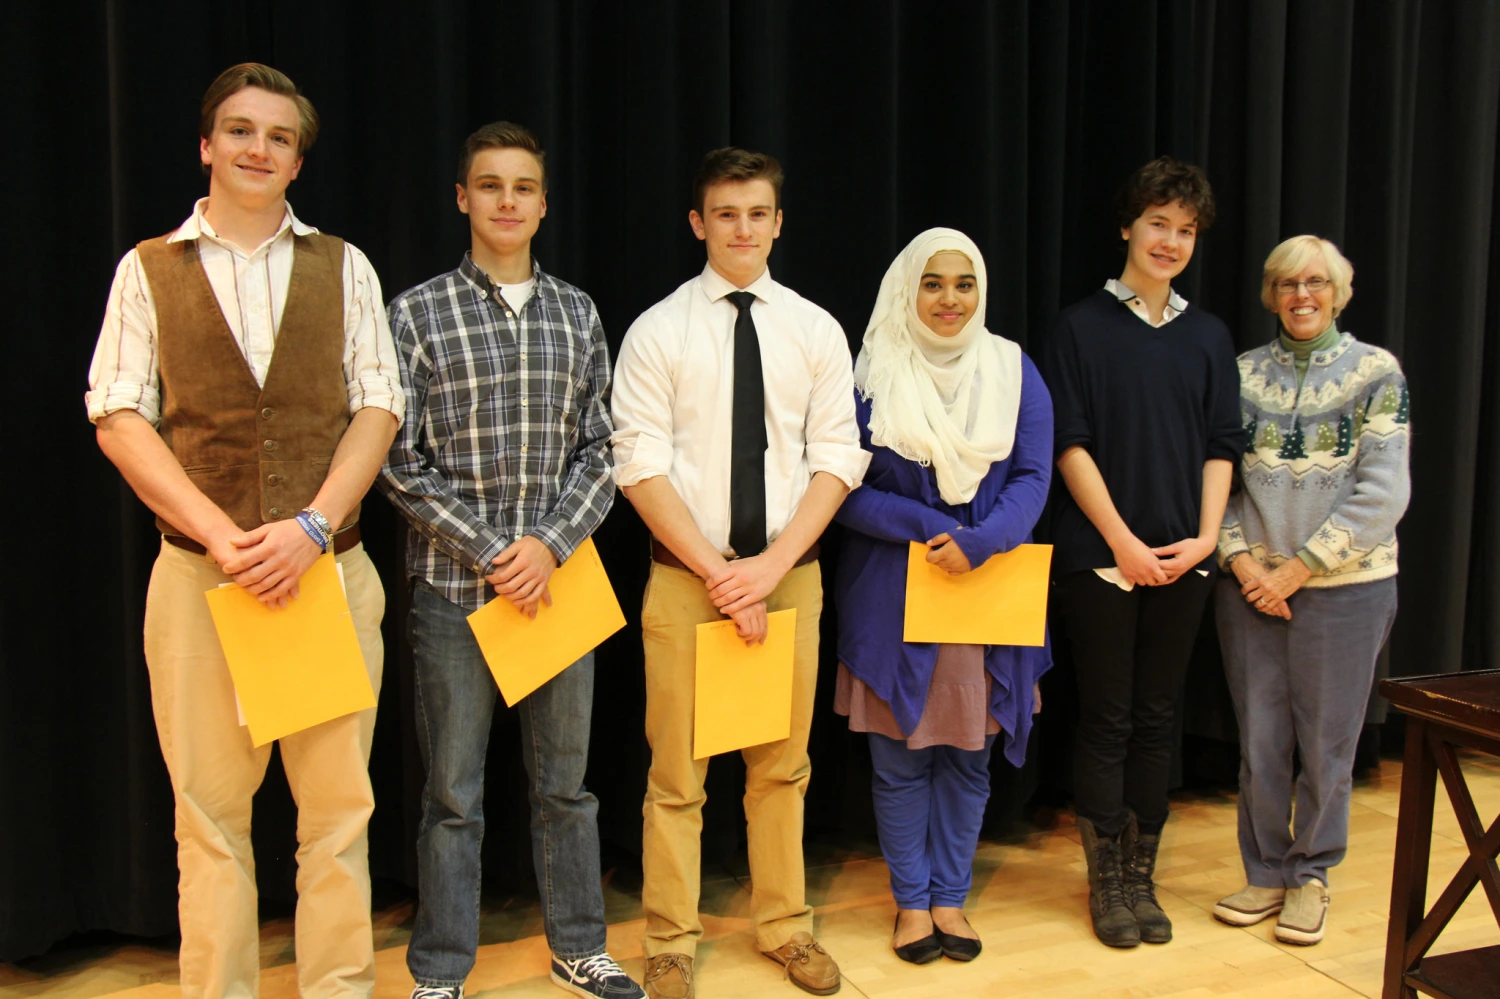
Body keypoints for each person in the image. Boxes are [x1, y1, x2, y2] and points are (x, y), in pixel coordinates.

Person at [86, 63, 403, 998]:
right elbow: (117, 415)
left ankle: (338, 988)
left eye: (277, 136)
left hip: (327, 578)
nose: (256, 148)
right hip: (197, 583)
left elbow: (379, 408)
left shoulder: (345, 266)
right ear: (206, 146)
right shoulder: (147, 269)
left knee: (338, 814)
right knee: (209, 818)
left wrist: (312, 524)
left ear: (297, 159)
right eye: (239, 130)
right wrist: (222, 540)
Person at [378, 122, 642, 999]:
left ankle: (578, 944)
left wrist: (547, 546)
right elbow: (395, 458)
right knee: (453, 794)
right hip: (455, 592)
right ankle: (441, 968)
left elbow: (602, 447)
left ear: (541, 202)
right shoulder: (414, 313)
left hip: (558, 588)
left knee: (566, 787)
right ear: (462, 198)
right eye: (488, 186)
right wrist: (496, 550)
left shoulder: (578, 311)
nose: (505, 202)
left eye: (522, 187)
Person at [611, 147, 869, 999]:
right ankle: (671, 941)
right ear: (698, 223)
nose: (743, 228)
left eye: (757, 212)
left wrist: (767, 568)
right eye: (726, 213)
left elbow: (836, 457)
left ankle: (785, 928)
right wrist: (722, 573)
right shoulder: (659, 329)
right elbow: (638, 465)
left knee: (781, 765)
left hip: (787, 572)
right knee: (677, 774)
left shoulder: (816, 328)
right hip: (688, 578)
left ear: (779, 221)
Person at [1038, 156, 1245, 948]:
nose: (1171, 240)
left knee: (1159, 717)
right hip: (1100, 555)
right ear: (1128, 226)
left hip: (1185, 555)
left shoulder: (1207, 334)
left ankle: (1140, 877)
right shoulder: (1079, 326)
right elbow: (1070, 442)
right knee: (1109, 716)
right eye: (1158, 223)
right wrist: (1122, 540)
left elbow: (1222, 445)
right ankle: (1104, 883)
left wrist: (1203, 537)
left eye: (1186, 230)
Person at [832, 229, 1053, 964]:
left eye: (963, 283)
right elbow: (841, 491)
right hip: (897, 593)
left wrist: (982, 541)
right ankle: (910, 902)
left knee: (969, 758)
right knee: (899, 760)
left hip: (990, 590)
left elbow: (1031, 477)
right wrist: (933, 528)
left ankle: (950, 897)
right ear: (907, 289)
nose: (950, 298)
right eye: (932, 283)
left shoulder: (1013, 368)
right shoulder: (870, 373)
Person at [1212, 236, 1408, 945]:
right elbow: (1221, 486)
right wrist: (1244, 566)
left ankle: (1312, 875)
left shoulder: (1376, 372)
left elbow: (1383, 492)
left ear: (1338, 292)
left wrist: (1299, 569)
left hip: (1346, 588)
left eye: (1317, 283)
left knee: (1326, 744)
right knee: (1261, 739)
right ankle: (1264, 870)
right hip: (1250, 588)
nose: (1303, 295)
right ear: (1271, 293)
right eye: (1288, 283)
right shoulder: (1239, 375)